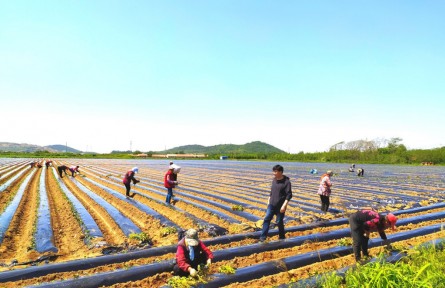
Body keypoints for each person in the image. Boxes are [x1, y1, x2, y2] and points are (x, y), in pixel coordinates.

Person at [259, 165, 292, 242]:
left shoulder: (286, 182)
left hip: (280, 206)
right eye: (273, 171)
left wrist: (284, 205)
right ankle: (262, 238)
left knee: (279, 222)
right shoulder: (274, 180)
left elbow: (289, 195)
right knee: (267, 219)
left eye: (275, 171)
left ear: (280, 172)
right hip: (271, 204)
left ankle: (282, 237)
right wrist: (268, 200)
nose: (274, 173)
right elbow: (272, 192)